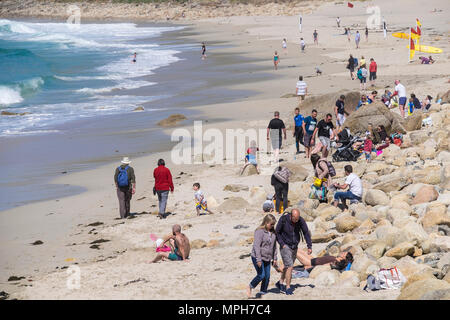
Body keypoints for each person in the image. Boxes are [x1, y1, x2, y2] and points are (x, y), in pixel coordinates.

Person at [275, 209, 312, 295]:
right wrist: (282, 243)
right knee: (290, 266)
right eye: (295, 219)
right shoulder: (283, 219)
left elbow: (306, 233)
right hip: (285, 246)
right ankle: (288, 287)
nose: (296, 221)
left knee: (287, 266)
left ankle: (280, 283)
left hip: (294, 246)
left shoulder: (300, 220)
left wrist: (309, 246)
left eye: (297, 219)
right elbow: (277, 232)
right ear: (291, 216)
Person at [247, 214, 279, 298]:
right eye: (271, 224)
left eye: (273, 224)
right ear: (266, 222)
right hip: (257, 257)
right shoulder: (259, 231)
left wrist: (275, 258)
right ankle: (250, 286)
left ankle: (263, 292)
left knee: (267, 276)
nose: (272, 226)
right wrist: (258, 259)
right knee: (261, 275)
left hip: (267, 258)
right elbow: (256, 246)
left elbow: (274, 246)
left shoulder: (273, 233)